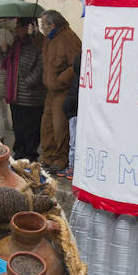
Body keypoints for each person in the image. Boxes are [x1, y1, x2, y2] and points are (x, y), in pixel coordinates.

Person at [39, 10, 82, 174]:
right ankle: (48, 156)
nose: (42, 28)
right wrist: (35, 35)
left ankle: (60, 159)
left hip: (62, 91)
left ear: (52, 25)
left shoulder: (69, 38)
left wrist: (60, 81)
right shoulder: (49, 39)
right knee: (47, 126)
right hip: (50, 92)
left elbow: (76, 65)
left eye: (43, 25)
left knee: (60, 127)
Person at [3, 18, 46, 161]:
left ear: (27, 27)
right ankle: (19, 153)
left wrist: (29, 81)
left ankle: (30, 155)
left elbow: (41, 65)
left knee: (31, 128)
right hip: (16, 94)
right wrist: (6, 51)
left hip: (32, 95)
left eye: (18, 27)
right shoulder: (16, 44)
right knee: (18, 127)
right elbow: (10, 64)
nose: (16, 29)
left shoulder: (37, 44)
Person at [60, 50, 81, 179]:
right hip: (74, 113)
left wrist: (68, 110)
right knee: (74, 142)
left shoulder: (77, 80)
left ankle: (73, 168)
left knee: (74, 142)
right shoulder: (79, 79)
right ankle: (73, 166)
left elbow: (73, 98)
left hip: (74, 114)